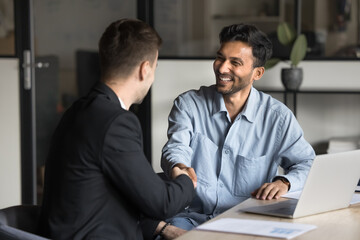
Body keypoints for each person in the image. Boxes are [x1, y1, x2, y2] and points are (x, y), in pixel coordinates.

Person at [38, 18, 197, 240]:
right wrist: (186, 181)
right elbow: (162, 203)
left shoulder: (79, 110)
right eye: (155, 68)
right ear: (145, 69)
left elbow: (108, 190)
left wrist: (158, 227)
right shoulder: (115, 122)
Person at [157, 23, 316, 234]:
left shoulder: (278, 118)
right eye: (220, 57)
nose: (222, 68)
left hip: (247, 223)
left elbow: (307, 163)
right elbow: (176, 147)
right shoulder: (189, 104)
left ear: (257, 73)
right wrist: (179, 166)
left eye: (235, 62)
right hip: (189, 217)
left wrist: (284, 181)